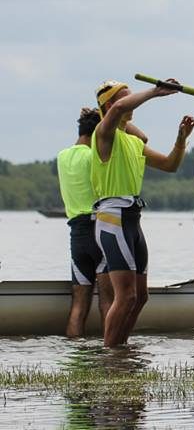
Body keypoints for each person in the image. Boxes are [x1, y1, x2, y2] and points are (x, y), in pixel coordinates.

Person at [92, 79, 194, 347]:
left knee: (140, 296)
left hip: (132, 219)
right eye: (127, 97)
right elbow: (116, 112)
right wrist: (153, 92)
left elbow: (170, 165)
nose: (133, 101)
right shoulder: (104, 135)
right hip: (112, 217)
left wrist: (181, 140)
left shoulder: (133, 142)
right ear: (108, 105)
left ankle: (119, 348)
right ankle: (111, 355)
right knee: (125, 295)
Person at [57, 107, 113, 337]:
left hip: (77, 234)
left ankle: (75, 355)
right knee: (108, 301)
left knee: (78, 305)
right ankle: (111, 354)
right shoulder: (95, 156)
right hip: (99, 228)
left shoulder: (62, 156)